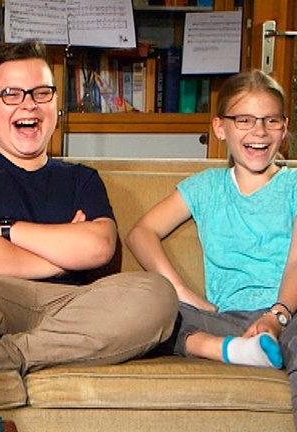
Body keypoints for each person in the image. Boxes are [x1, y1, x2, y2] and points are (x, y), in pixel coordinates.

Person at [0, 40, 178, 418]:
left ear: (55, 104)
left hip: (68, 307)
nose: (28, 104)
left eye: (41, 93)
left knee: (158, 294)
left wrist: (2, 229)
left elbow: (99, 246)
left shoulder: (81, 179)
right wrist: (60, 258)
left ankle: (5, 355)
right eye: (11, 94)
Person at [125, 70, 297, 423]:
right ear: (220, 128)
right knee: (140, 312)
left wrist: (277, 316)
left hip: (288, 314)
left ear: (284, 127)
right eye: (244, 120)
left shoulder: (293, 184)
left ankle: (252, 348)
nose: (259, 131)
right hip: (228, 320)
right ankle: (227, 349)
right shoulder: (206, 187)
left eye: (271, 120)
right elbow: (141, 233)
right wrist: (183, 293)